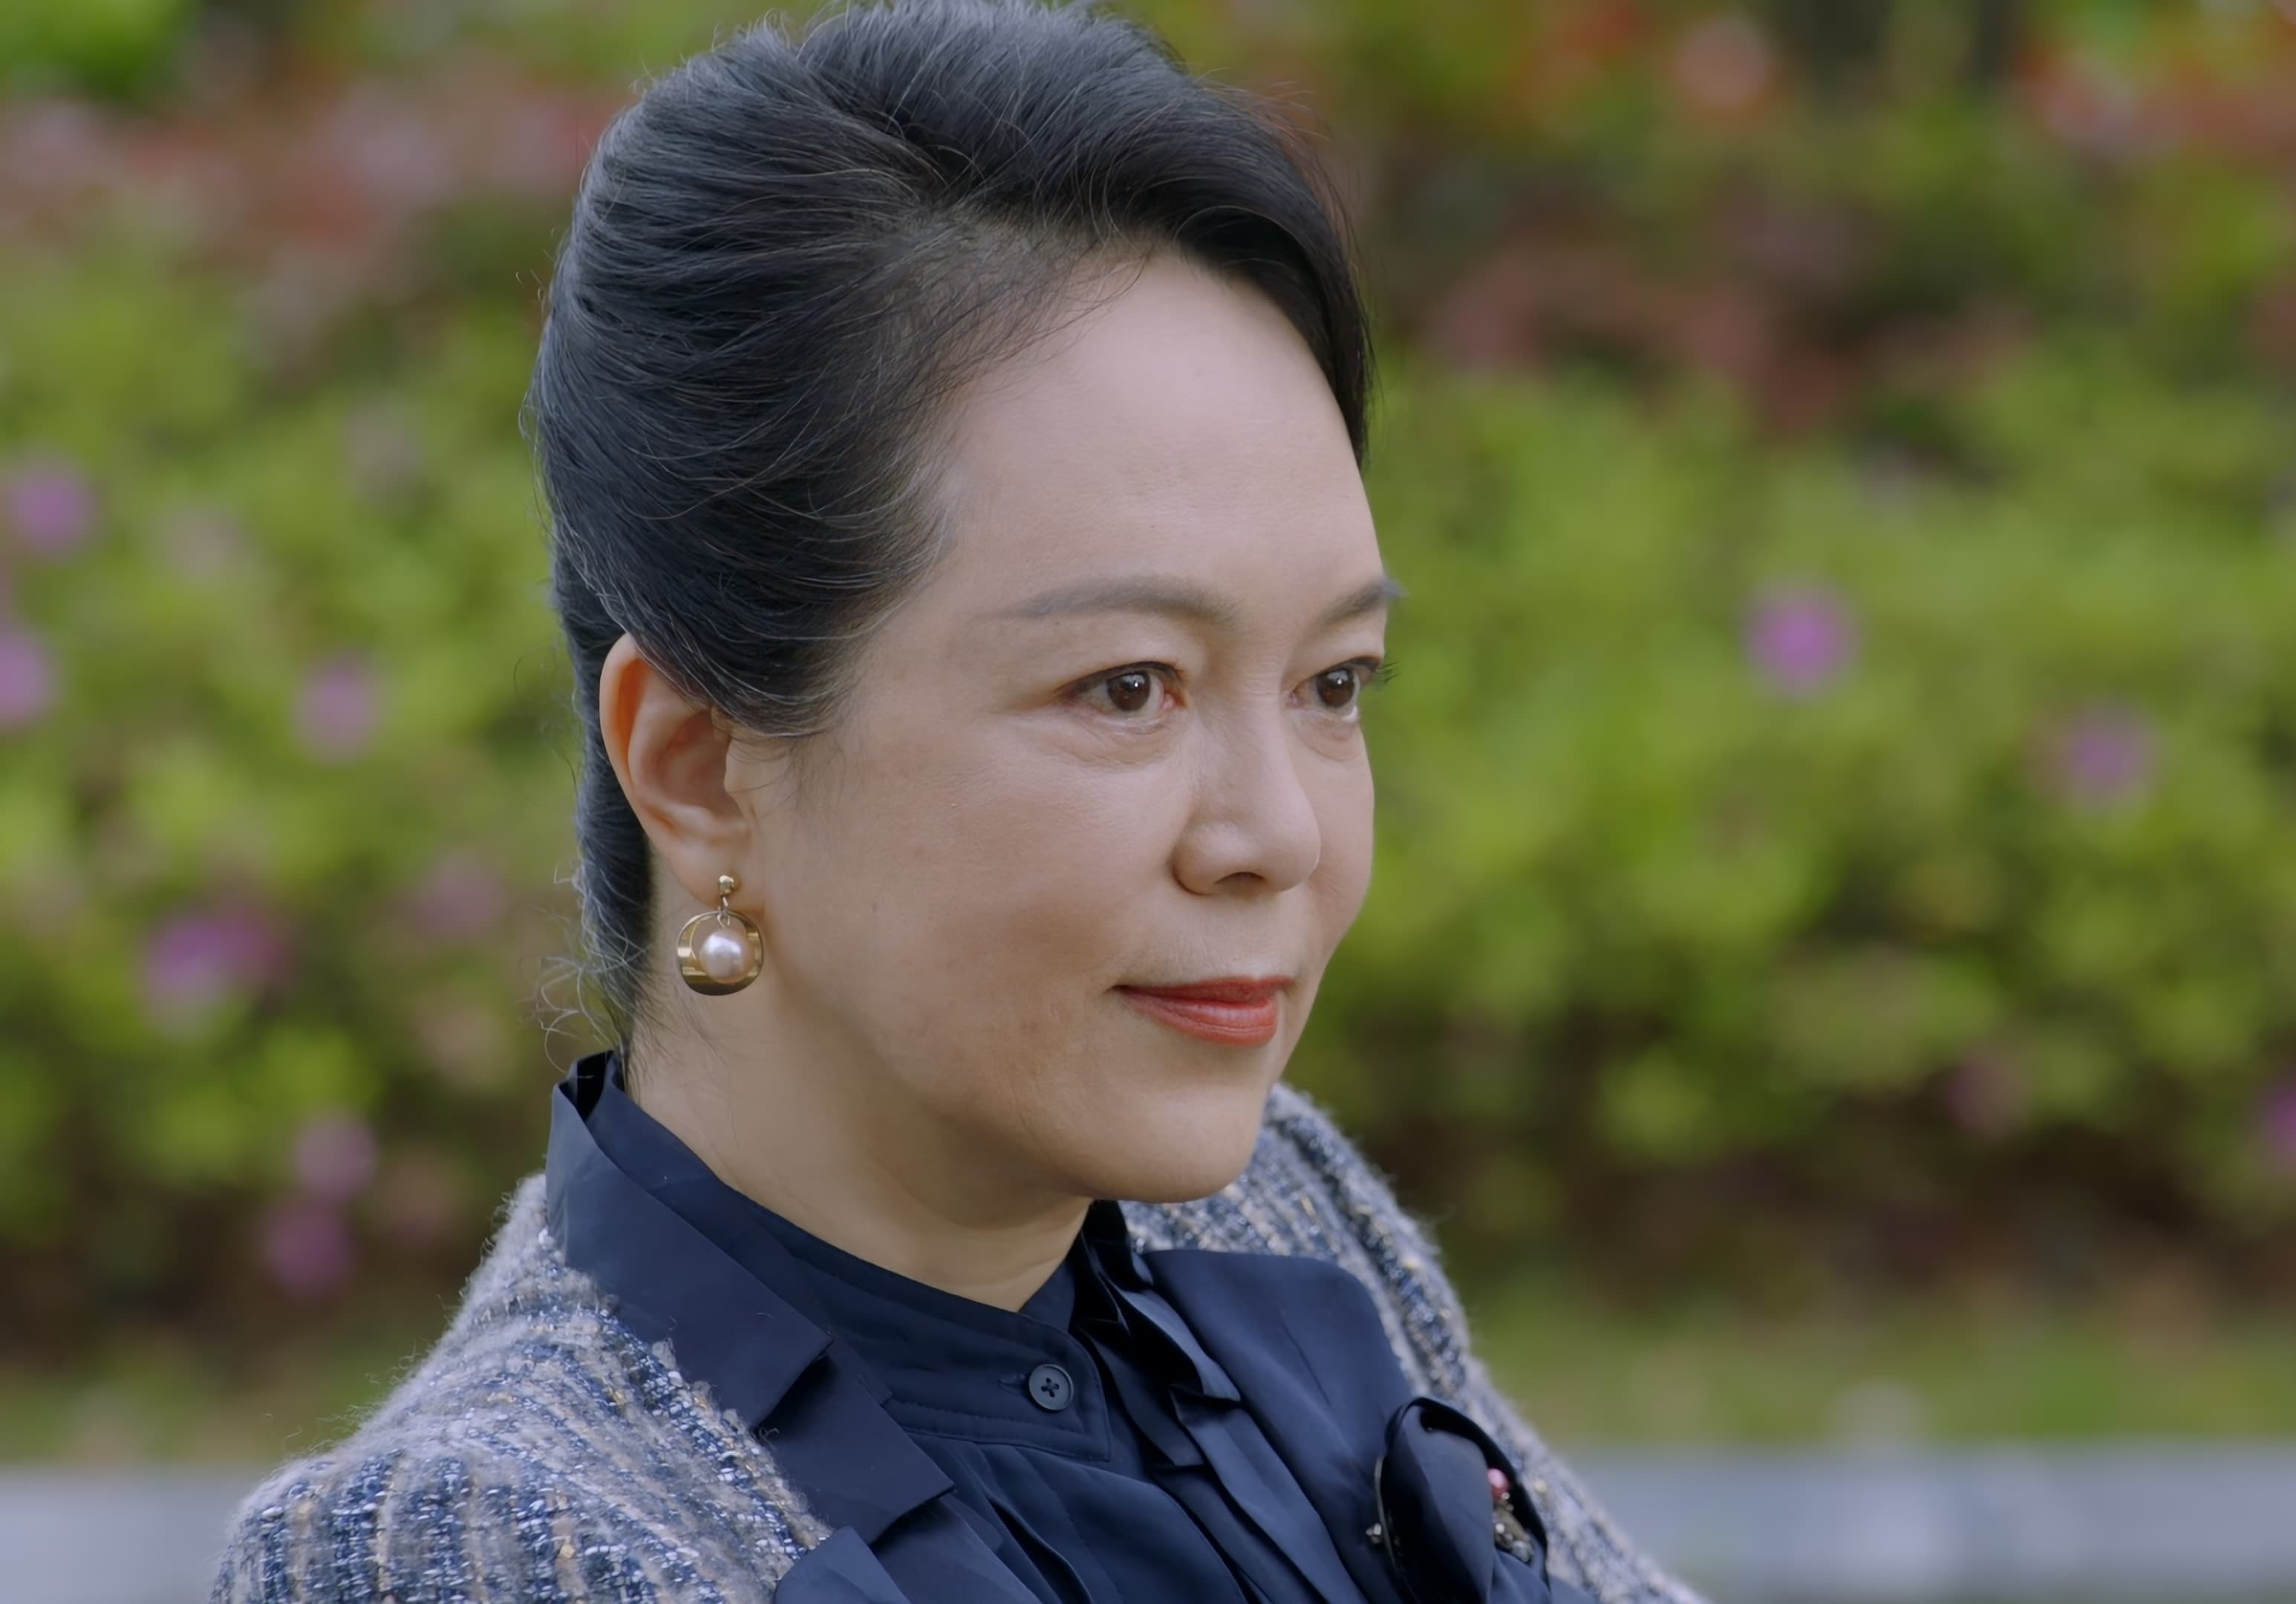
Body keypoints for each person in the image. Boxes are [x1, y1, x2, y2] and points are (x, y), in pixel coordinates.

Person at [208, 2, 1703, 1600]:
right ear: (701, 767)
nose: (1280, 834)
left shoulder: (1275, 1211)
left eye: (1333, 683)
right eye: (1127, 687)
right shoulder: (486, 1547)